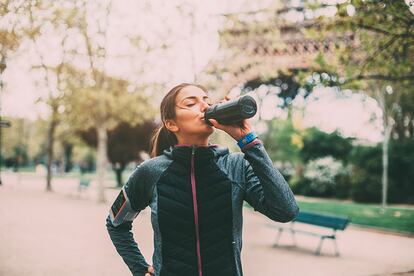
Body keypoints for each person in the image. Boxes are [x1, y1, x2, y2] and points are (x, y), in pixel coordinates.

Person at [106, 83, 299, 276]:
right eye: (191, 103)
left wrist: (249, 141)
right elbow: (116, 224)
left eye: (207, 101)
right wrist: (140, 269)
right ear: (171, 123)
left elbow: (285, 211)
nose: (205, 107)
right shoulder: (151, 172)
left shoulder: (236, 166)